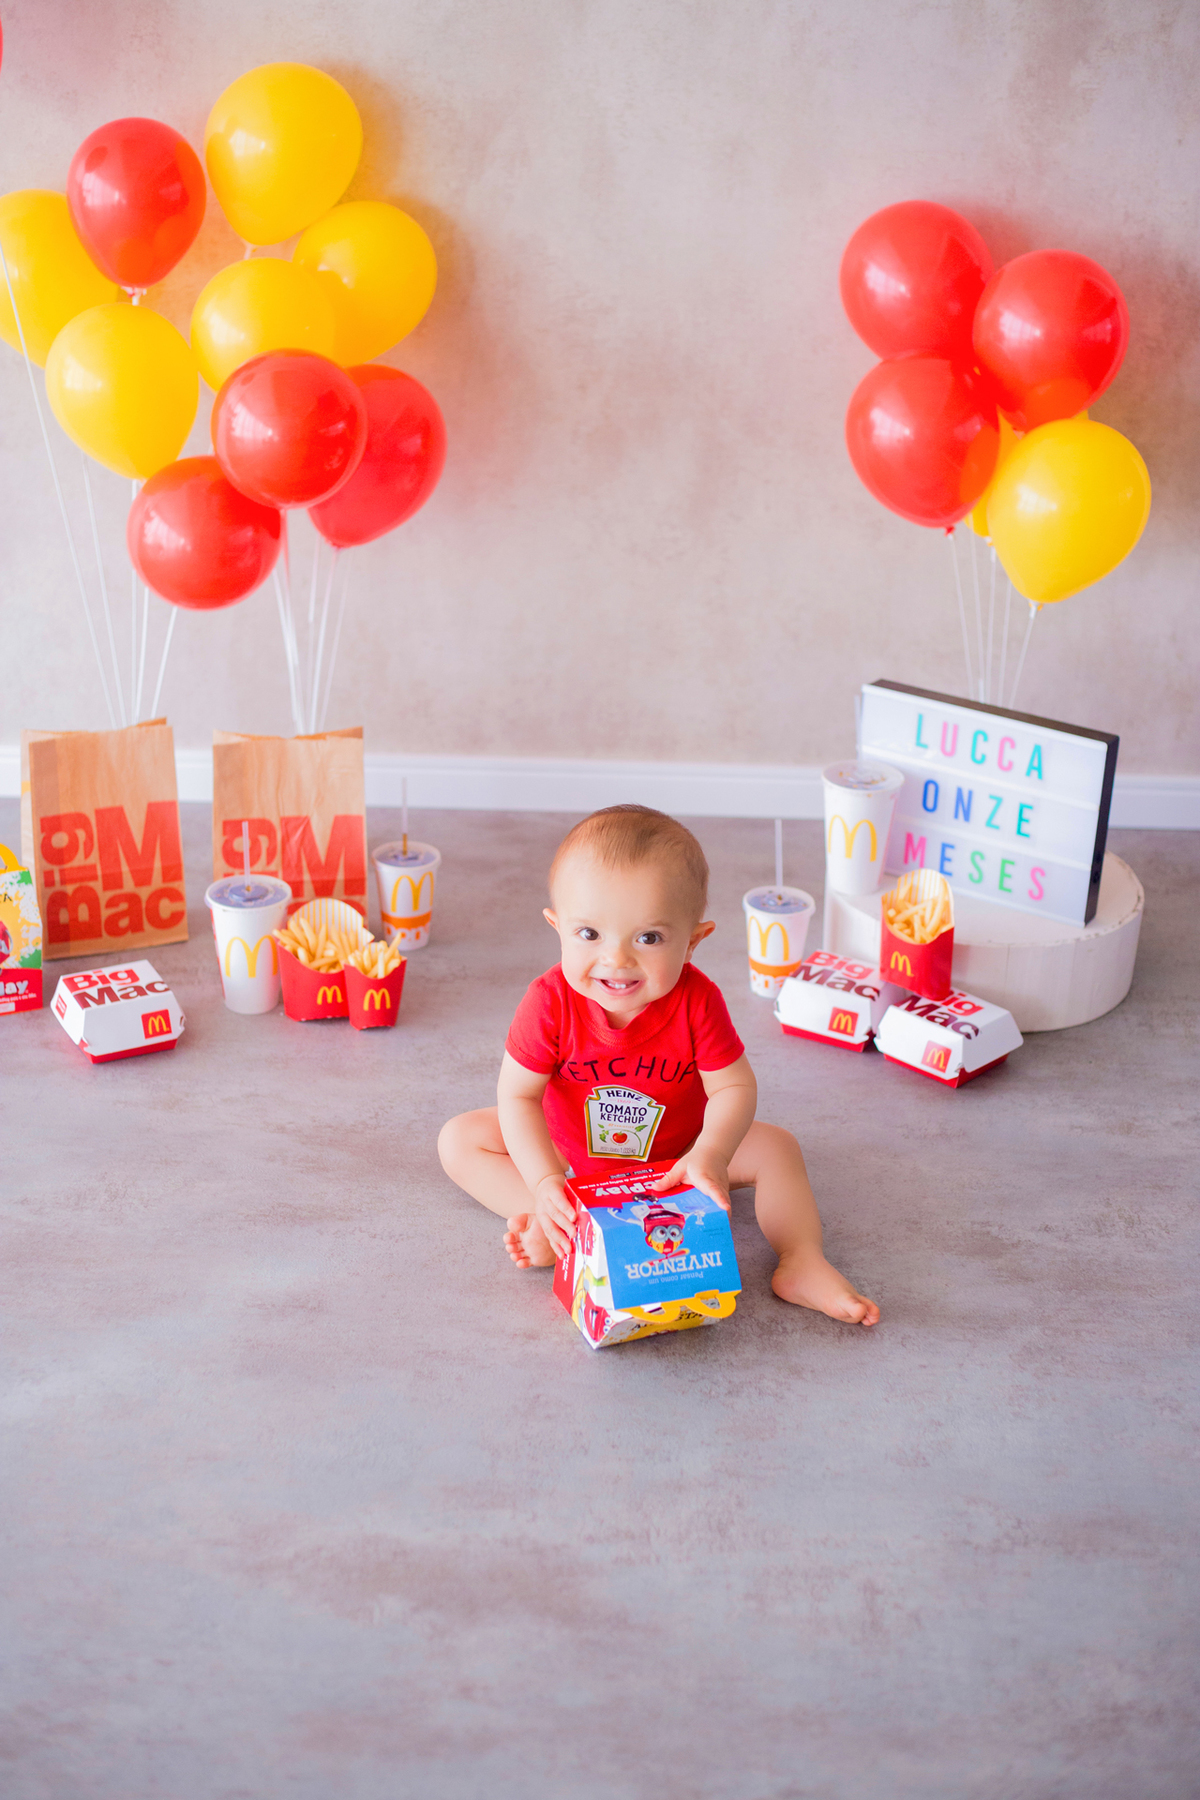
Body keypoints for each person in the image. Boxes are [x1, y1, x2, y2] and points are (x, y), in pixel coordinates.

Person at [438, 805, 878, 1326]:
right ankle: (565, 1223)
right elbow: (518, 1096)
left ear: (693, 940)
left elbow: (733, 1086)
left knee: (777, 1148)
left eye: (648, 938)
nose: (616, 960)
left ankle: (801, 1259)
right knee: (460, 1140)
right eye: (589, 934)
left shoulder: (697, 1001)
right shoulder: (549, 1002)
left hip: (680, 1160)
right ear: (557, 927)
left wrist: (711, 1154)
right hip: (573, 1157)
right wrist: (543, 1179)